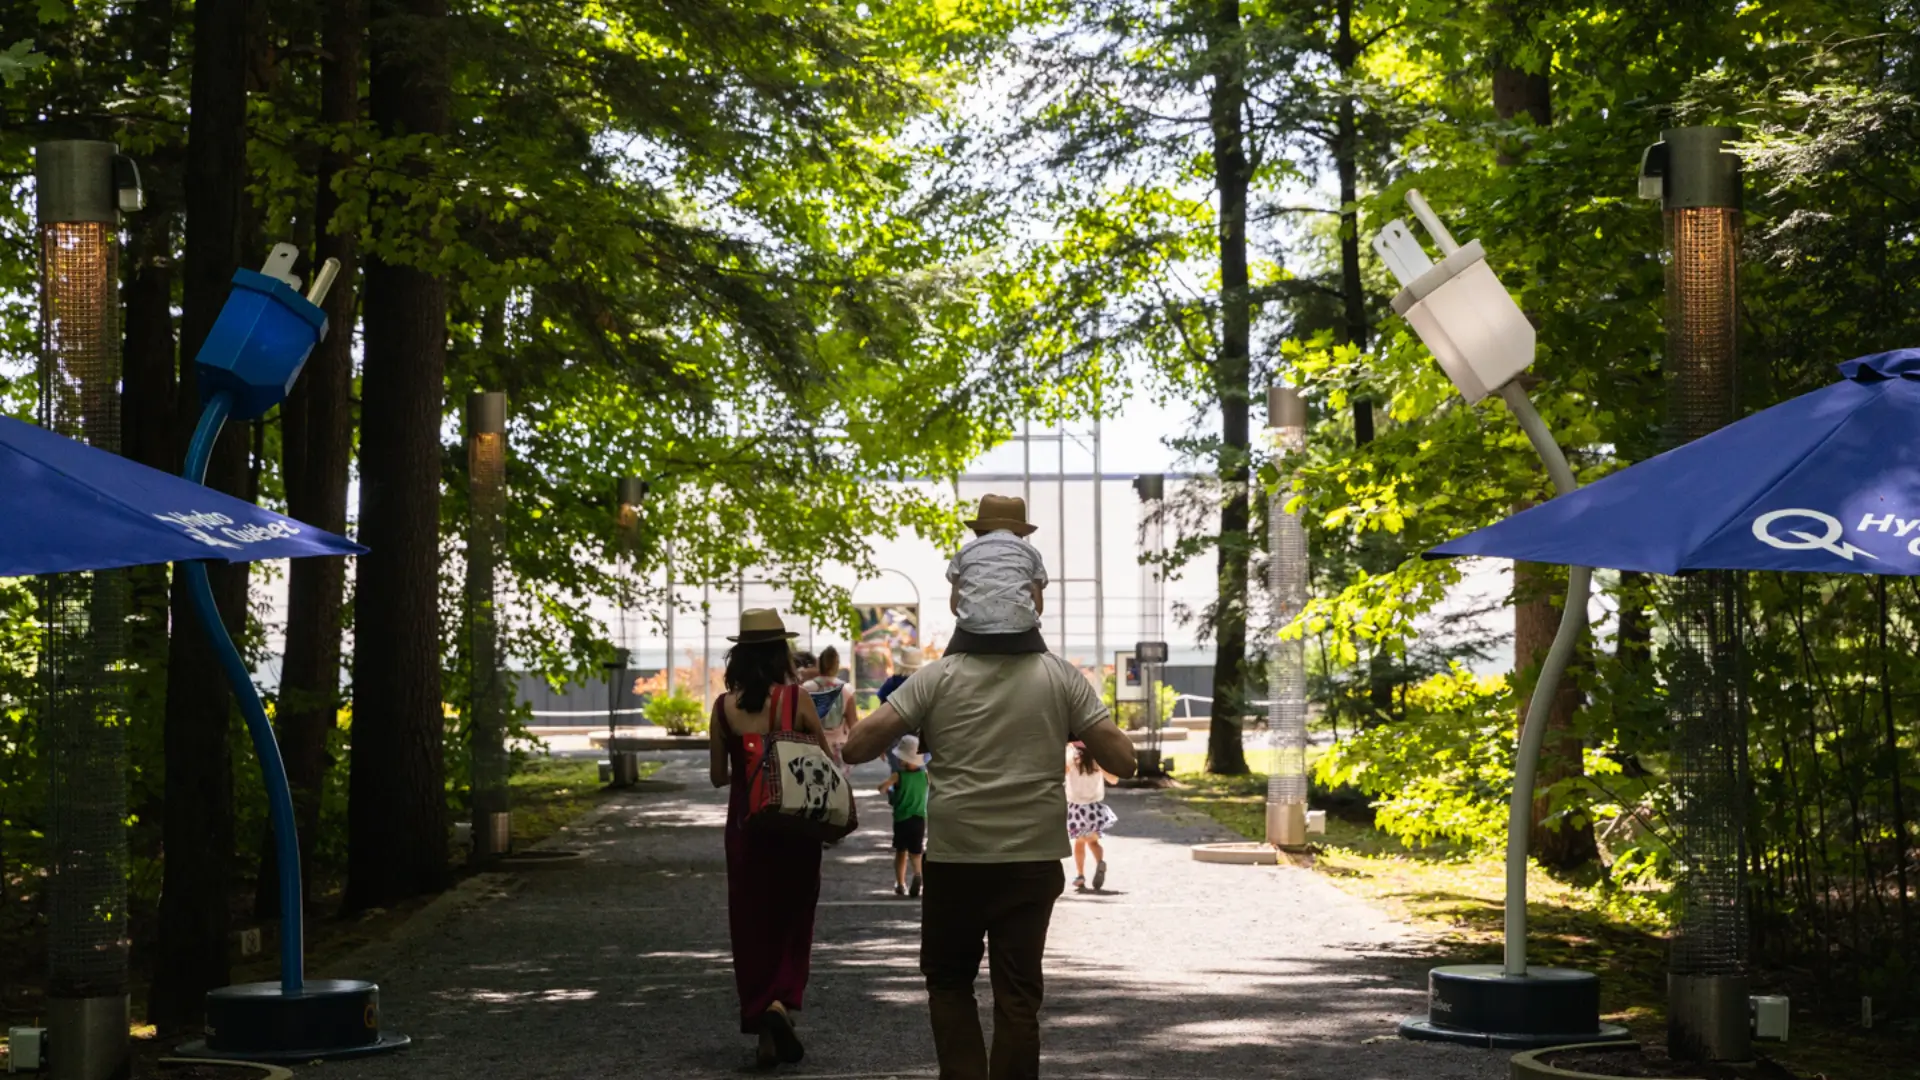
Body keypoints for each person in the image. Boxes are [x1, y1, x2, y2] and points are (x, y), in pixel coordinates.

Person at [844, 648, 1137, 1080]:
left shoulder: (936, 676)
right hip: (1031, 858)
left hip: (955, 858)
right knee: (1018, 997)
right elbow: (1125, 762)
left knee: (948, 983)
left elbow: (855, 746)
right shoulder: (1060, 676)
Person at [709, 608, 827, 1069]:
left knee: (752, 924)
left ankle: (763, 1030)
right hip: (795, 828)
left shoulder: (724, 707)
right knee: (795, 917)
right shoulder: (795, 699)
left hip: (746, 832)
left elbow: (719, 776)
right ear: (781, 653)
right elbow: (823, 758)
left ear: (739, 657)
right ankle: (782, 1004)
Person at [946, 495, 1049, 655]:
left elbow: (955, 605)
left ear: (980, 528)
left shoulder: (965, 552)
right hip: (1021, 636)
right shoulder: (1031, 553)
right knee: (1053, 673)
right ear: (1020, 530)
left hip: (971, 635)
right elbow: (1038, 606)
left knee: (941, 674)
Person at [879, 734, 929, 898]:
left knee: (901, 851)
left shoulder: (898, 776)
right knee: (916, 852)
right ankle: (918, 874)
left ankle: (900, 883)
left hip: (902, 819)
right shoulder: (925, 776)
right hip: (919, 818)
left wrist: (888, 788)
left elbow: (882, 788)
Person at [1065, 742, 1119, 892]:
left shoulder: (1072, 756)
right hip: (1094, 808)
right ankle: (1100, 861)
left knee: (1079, 842)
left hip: (1077, 807)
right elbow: (1114, 780)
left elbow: (1062, 773)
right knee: (1093, 842)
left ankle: (1080, 875)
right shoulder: (1097, 758)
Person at [801, 645, 860, 773]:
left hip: (813, 746)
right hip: (838, 748)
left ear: (820, 663)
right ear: (837, 665)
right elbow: (853, 723)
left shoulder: (806, 688)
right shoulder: (846, 690)